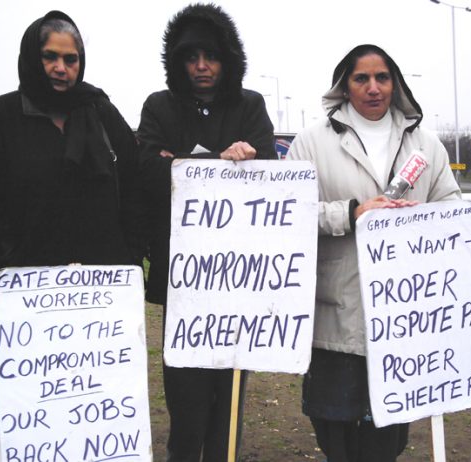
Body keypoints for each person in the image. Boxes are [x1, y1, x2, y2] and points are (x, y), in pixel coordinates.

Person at [287, 44, 461, 462]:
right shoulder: (312, 142)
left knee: (387, 441)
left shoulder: (427, 145)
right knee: (337, 436)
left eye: (382, 77)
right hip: (336, 318)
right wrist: (352, 213)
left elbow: (453, 212)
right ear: (344, 86)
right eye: (361, 78)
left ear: (395, 83)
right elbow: (289, 214)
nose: (373, 87)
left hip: (405, 319)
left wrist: (419, 223)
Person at [137, 3, 276, 461]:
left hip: (239, 280)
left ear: (228, 58)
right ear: (177, 61)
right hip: (183, 282)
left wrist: (180, 163)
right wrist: (217, 163)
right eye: (191, 56)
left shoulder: (250, 105)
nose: (201, 65)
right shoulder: (159, 106)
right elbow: (146, 176)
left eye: (211, 56)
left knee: (229, 399)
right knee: (184, 399)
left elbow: (269, 181)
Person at [0, 10, 141, 276]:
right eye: (50, 56)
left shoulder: (101, 111)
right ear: (31, 57)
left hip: (105, 281)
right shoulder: (0, 117)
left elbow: (133, 187)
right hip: (29, 285)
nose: (61, 68)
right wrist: (4, 261)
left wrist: (131, 257)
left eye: (70, 59)